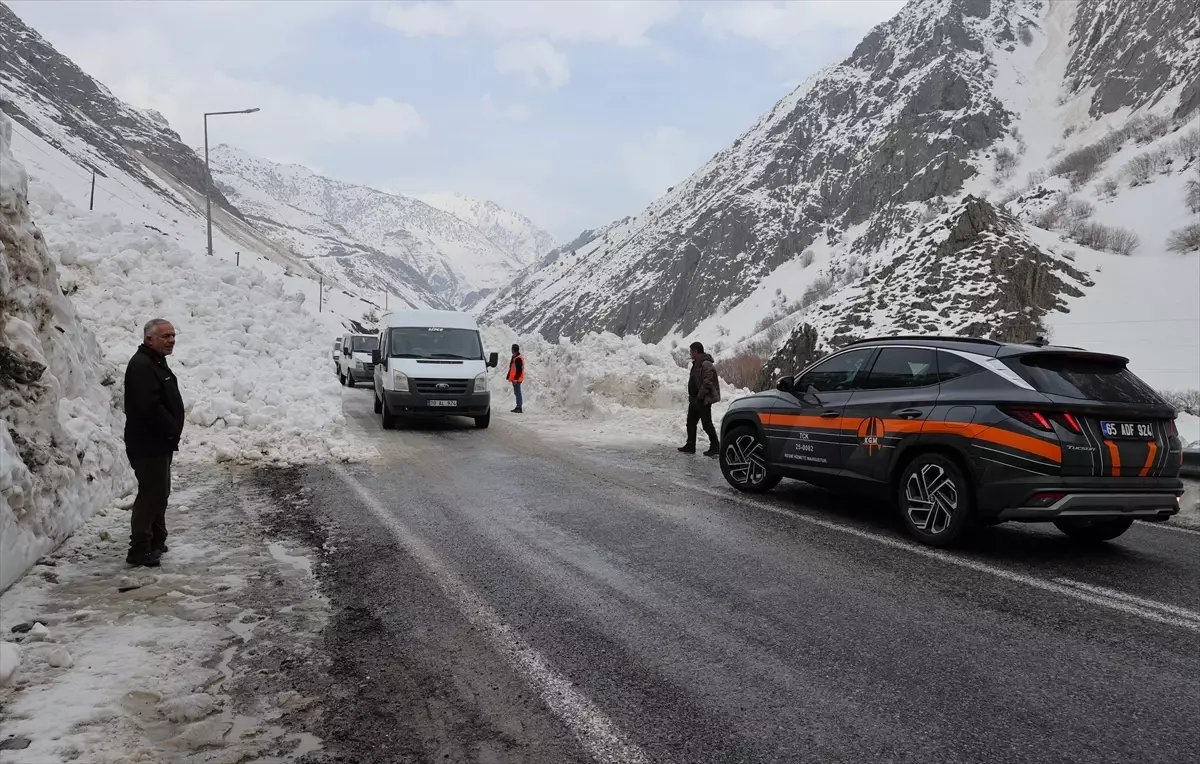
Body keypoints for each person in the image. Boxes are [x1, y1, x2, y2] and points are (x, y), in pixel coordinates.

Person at [123, 319, 185, 567]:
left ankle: (156, 540)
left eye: (173, 335)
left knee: (160, 492)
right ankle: (139, 548)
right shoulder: (142, 366)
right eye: (165, 336)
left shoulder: (155, 362)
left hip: (159, 441)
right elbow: (149, 407)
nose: (171, 340)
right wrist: (170, 428)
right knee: (151, 494)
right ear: (149, 339)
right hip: (148, 442)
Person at [679, 341, 721, 456]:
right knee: (690, 422)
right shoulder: (696, 363)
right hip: (694, 399)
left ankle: (715, 446)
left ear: (696, 351)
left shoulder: (706, 364)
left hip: (702, 399)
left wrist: (700, 396)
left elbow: (708, 381)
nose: (690, 353)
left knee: (706, 423)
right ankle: (690, 445)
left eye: (691, 351)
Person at [507, 344, 525, 413]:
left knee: (518, 393)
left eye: (512, 349)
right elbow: (511, 368)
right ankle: (518, 406)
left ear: (514, 350)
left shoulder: (518, 359)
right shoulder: (515, 357)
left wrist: (515, 379)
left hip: (517, 379)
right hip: (515, 379)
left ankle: (519, 407)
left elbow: (519, 370)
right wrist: (509, 376)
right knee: (516, 393)